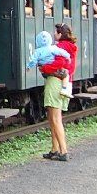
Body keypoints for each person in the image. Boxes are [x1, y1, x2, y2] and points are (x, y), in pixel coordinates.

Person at [26, 32, 72, 162]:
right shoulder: (56, 50)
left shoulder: (51, 52)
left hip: (54, 83)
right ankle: (55, 149)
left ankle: (63, 151)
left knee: (56, 119)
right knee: (52, 118)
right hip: (54, 82)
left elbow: (35, 62)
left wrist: (40, 67)